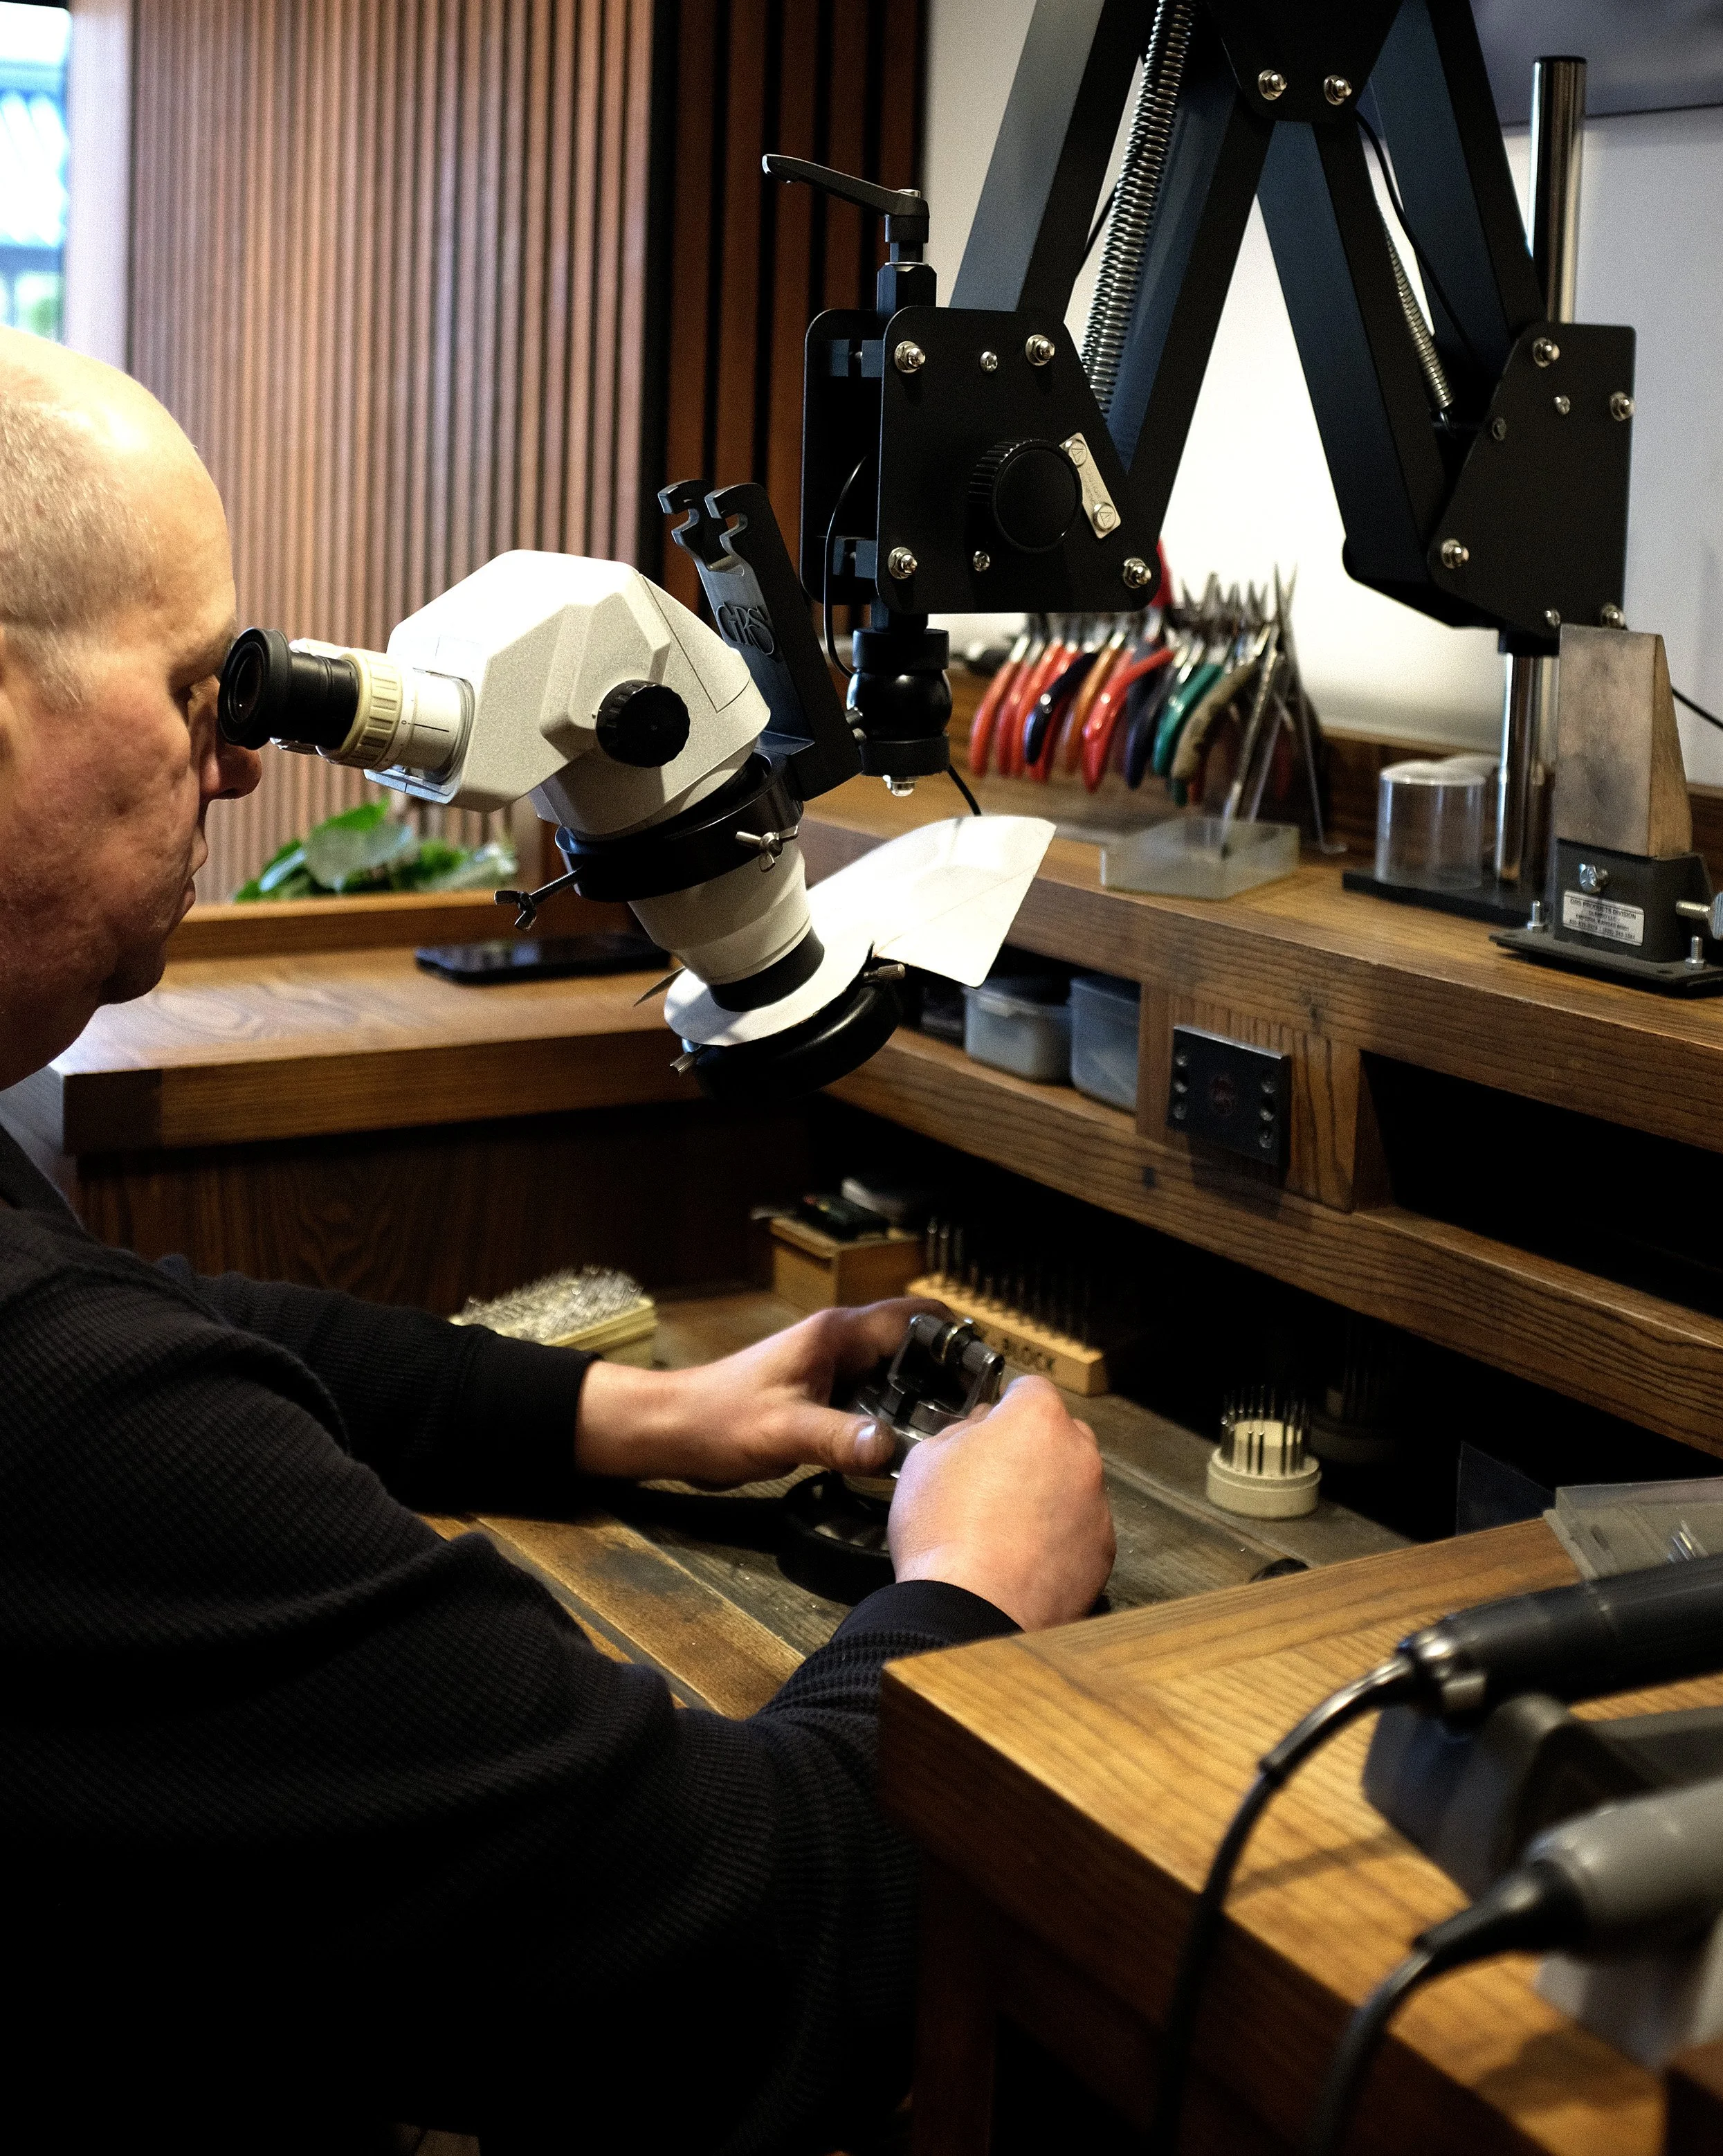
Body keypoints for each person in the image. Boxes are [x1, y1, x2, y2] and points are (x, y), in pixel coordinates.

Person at [0, 327, 1116, 2155]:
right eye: (202, 690)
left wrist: (615, 1421)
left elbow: (137, 1311)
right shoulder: (59, 1422)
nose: (238, 766)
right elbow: (753, 1961)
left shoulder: (59, 1354)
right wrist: (972, 1598)